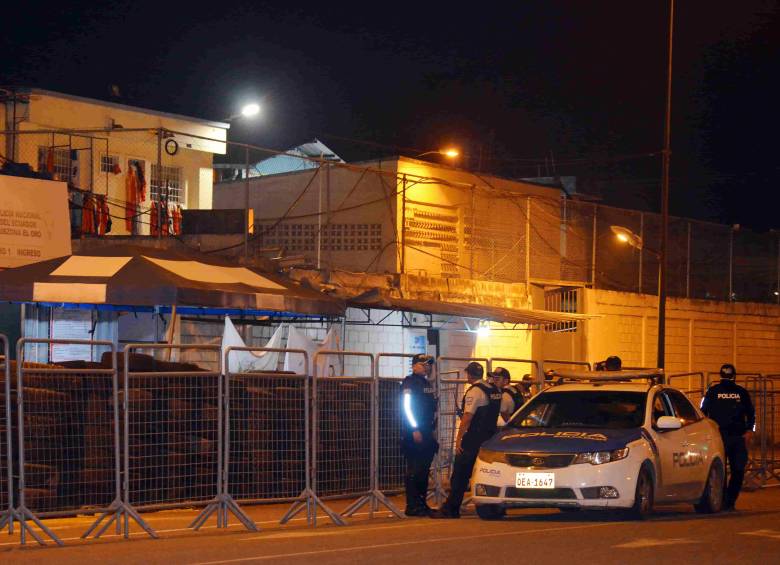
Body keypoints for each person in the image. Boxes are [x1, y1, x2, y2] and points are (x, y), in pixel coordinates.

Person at [432, 361, 501, 518]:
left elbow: (468, 418)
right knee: (489, 473)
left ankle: (451, 509)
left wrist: (458, 439)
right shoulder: (494, 390)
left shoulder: (475, 391)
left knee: (460, 474)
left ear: (469, 374)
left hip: (474, 438)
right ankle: (495, 508)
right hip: (490, 438)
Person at [700, 363, 756, 511]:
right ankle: (724, 500)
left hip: (734, 437)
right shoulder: (714, 392)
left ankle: (728, 501)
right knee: (724, 470)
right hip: (721, 436)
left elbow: (751, 414)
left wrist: (750, 430)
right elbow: (703, 412)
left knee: (736, 469)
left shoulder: (736, 392)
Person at [400, 353, 438, 516]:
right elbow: (407, 408)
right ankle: (413, 505)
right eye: (424, 364)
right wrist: (414, 429)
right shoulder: (410, 383)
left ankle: (421, 503)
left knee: (423, 469)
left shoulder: (426, 383)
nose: (427, 367)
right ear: (414, 365)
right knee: (415, 469)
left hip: (426, 430)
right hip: (414, 432)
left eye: (429, 365)